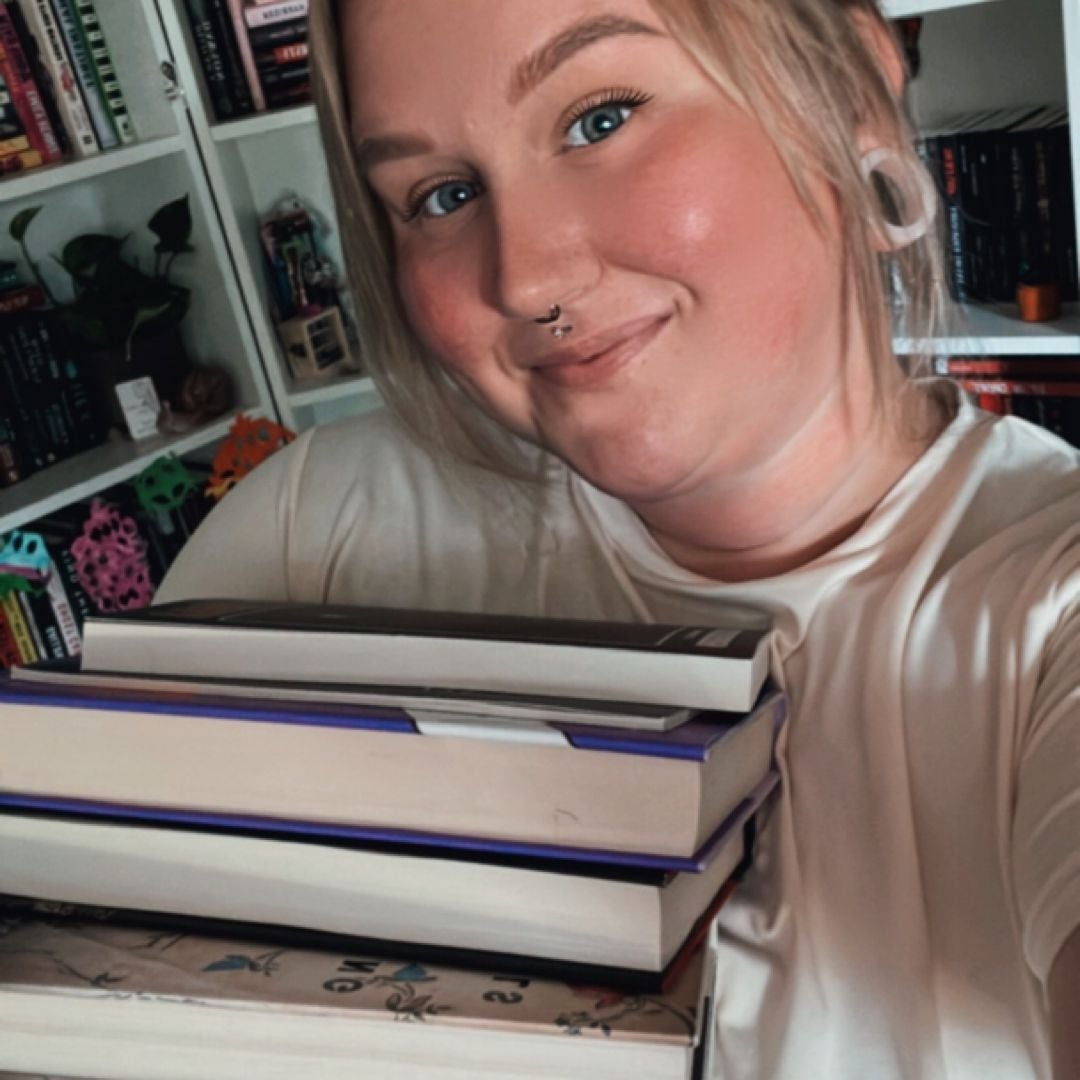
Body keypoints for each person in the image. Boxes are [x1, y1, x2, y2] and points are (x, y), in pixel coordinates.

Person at [157, 1, 1080, 1075]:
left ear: (853, 93)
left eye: (601, 119)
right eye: (441, 195)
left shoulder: (1051, 602)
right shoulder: (309, 541)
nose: (525, 279)